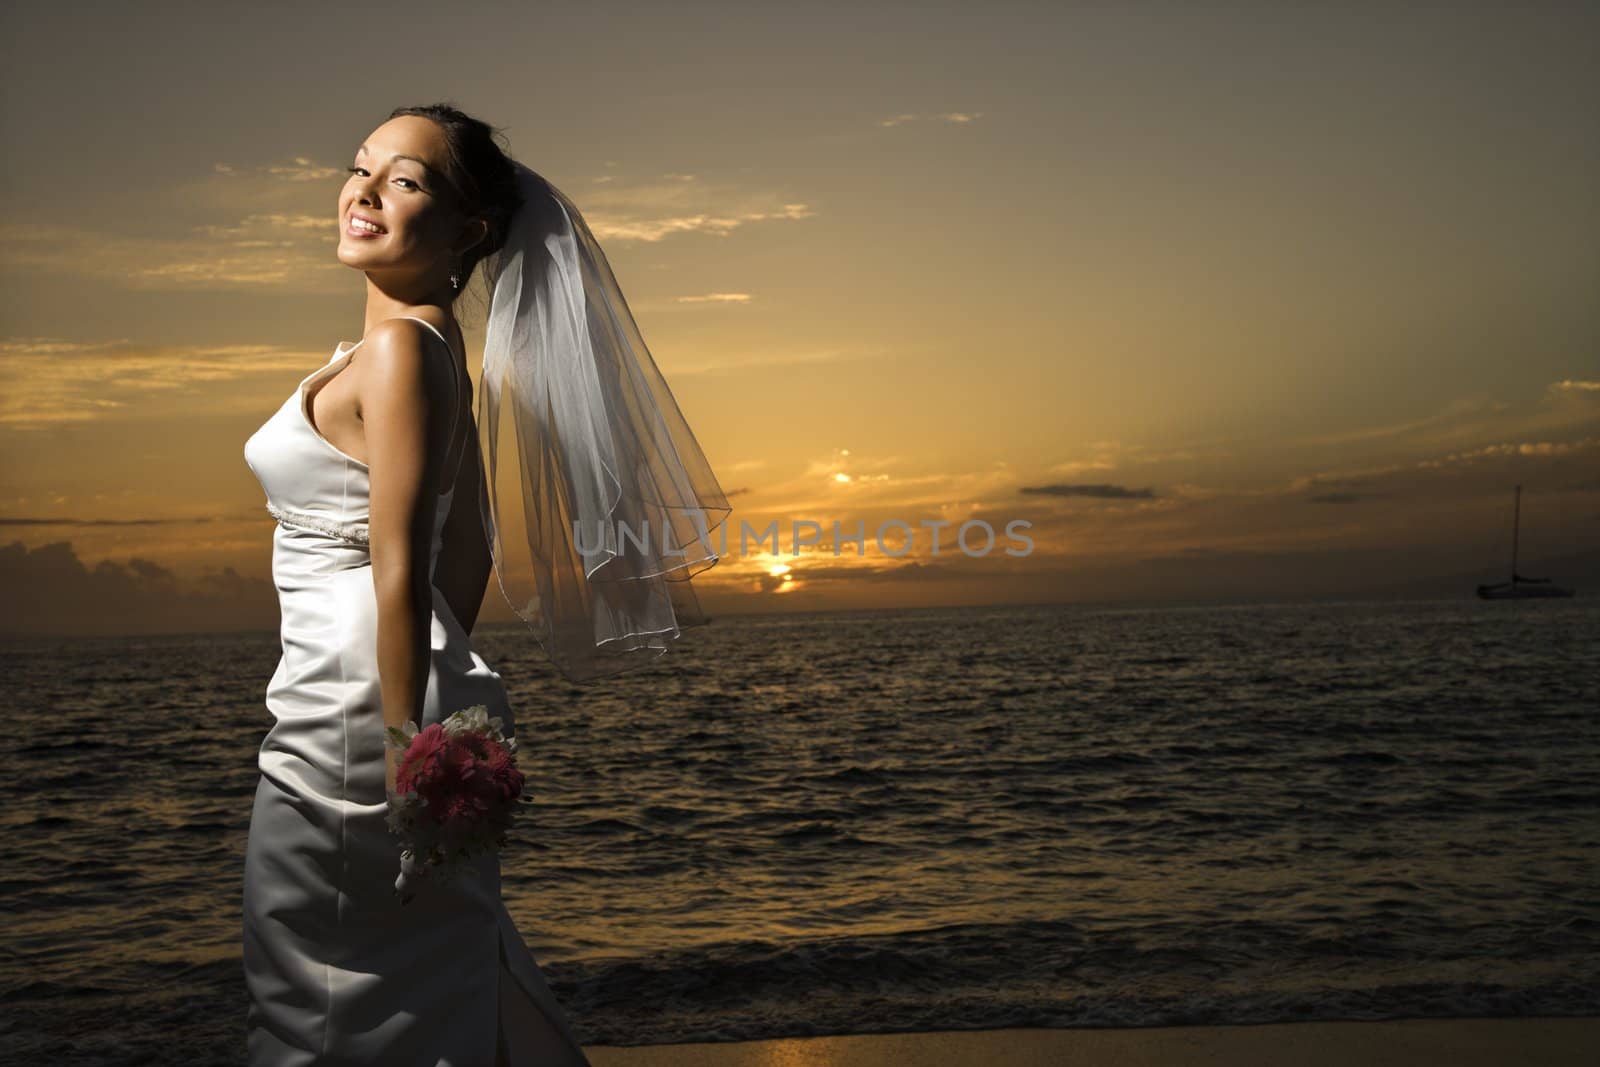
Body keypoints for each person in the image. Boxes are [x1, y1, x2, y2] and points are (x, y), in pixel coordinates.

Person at [241, 103, 725, 1065]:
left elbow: (403, 561)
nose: (366, 191)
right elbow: (471, 555)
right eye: (362, 167)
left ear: (468, 232)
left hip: (348, 701)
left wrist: (399, 746)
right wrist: (434, 689)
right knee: (408, 966)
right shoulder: (423, 353)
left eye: (407, 180)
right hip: (370, 678)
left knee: (321, 990)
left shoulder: (399, 354)